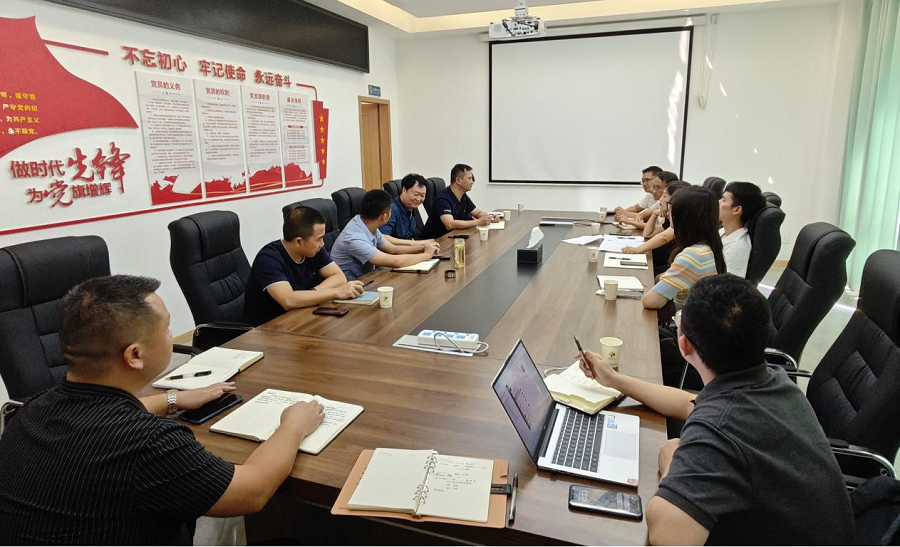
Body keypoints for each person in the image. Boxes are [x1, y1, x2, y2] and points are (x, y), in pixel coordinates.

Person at [0, 275, 327, 544]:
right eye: (167, 329)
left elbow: (96, 419)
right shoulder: (148, 443)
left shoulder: (30, 410)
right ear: (135, 355)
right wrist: (293, 425)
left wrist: (173, 399)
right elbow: (252, 491)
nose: (172, 335)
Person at [577, 275, 854, 545]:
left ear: (684, 345)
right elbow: (687, 404)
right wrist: (614, 380)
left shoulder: (719, 430)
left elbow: (668, 537)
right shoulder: (773, 381)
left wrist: (671, 461)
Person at [642, 186, 727, 387]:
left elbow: (650, 301)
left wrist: (659, 283)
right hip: (699, 336)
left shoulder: (692, 256)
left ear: (685, 217)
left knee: (637, 345)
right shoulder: (707, 247)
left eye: (673, 211)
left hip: (694, 348)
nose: (669, 216)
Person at [244, 205, 364, 325]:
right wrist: (336, 292)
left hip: (302, 315)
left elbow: (339, 277)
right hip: (268, 327)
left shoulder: (314, 250)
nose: (322, 244)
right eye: (319, 239)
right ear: (299, 241)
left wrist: (312, 293)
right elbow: (288, 300)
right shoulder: (268, 259)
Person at [331, 189, 441, 280]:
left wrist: (423, 247)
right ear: (384, 216)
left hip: (367, 280)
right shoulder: (354, 238)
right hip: (349, 288)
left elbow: (393, 249)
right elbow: (395, 262)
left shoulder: (365, 223)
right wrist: (426, 255)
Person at [623, 181, 690, 276]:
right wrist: (654, 214)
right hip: (662, 262)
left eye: (664, 196)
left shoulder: (680, 220)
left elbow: (664, 237)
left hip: (668, 265)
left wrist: (637, 250)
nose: (660, 199)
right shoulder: (669, 218)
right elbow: (647, 234)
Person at [421, 163, 493, 239]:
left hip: (453, 237)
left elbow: (478, 213)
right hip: (436, 241)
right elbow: (450, 224)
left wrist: (488, 218)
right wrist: (478, 222)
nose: (472, 182)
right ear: (458, 180)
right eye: (469, 178)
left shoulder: (463, 197)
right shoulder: (443, 199)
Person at [718, 181, 766, 278]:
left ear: (737, 210)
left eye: (723, 200)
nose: (718, 201)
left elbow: (729, 283)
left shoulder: (738, 247)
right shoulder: (723, 232)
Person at [379, 173, 431, 244]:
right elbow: (383, 236)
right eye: (416, 194)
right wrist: (414, 244)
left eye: (422, 195)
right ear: (404, 190)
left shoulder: (413, 206)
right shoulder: (391, 209)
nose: (418, 199)